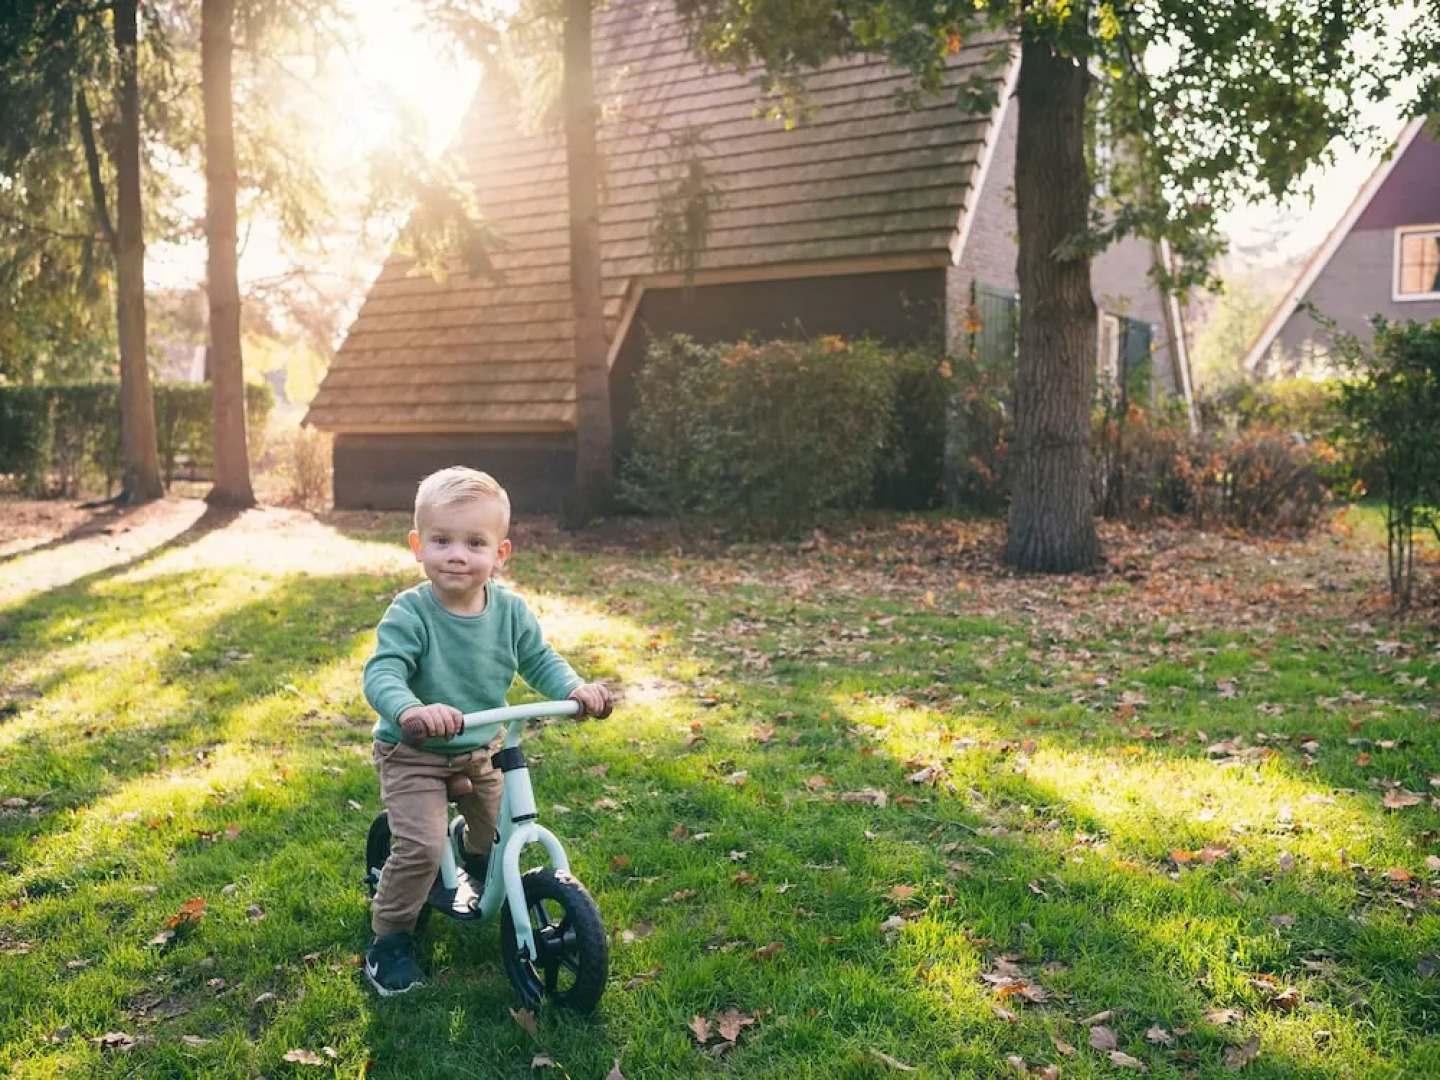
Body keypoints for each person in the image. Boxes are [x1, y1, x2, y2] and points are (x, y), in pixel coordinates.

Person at [361, 466, 613, 996]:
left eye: (474, 542)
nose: (457, 554)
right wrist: (410, 710)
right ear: (417, 546)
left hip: (479, 745)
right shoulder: (411, 613)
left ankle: (478, 865)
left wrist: (574, 689)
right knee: (422, 849)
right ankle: (390, 938)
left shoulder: (510, 612)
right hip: (415, 751)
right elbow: (382, 673)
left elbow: (541, 659)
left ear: (500, 554)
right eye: (442, 540)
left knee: (496, 833)